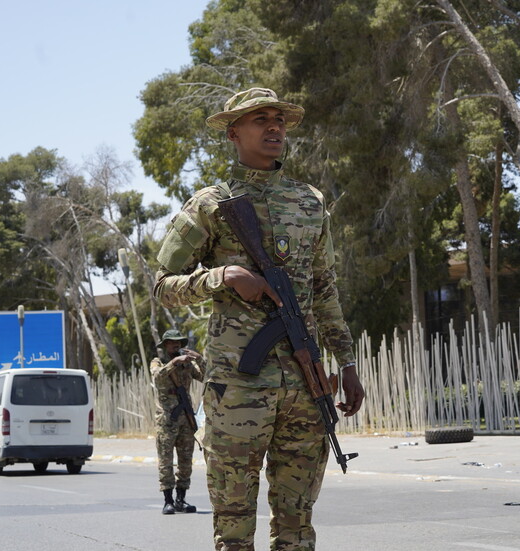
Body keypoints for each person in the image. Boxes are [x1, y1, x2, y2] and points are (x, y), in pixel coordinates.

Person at [153, 87, 365, 550]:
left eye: (279, 119)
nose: (274, 127)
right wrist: (222, 277)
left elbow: (325, 288)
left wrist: (347, 364)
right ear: (234, 133)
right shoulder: (210, 203)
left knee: (297, 525)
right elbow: (162, 286)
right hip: (239, 387)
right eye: (259, 119)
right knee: (234, 526)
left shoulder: (310, 202)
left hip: (306, 387)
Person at [150, 328, 204, 515]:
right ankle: (168, 501)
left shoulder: (188, 365)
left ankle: (181, 499)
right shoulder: (158, 362)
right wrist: (174, 362)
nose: (177, 345)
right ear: (165, 345)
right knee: (166, 461)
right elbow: (157, 378)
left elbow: (206, 376)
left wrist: (199, 359)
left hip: (186, 418)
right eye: (172, 342)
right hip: (167, 419)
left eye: (179, 342)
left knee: (186, 461)